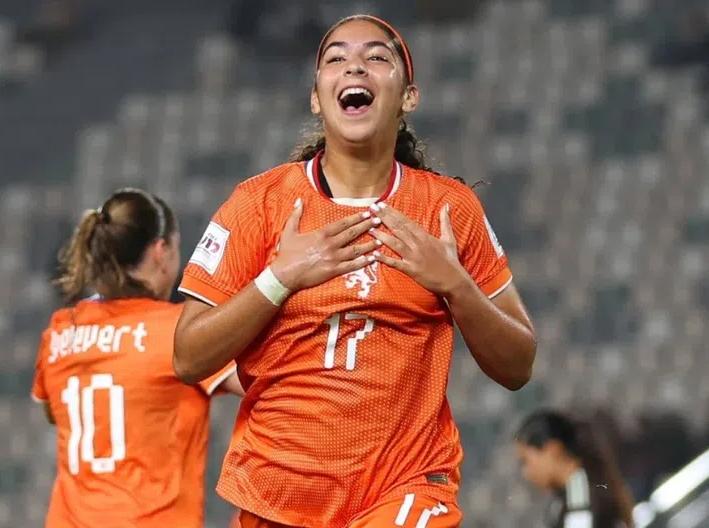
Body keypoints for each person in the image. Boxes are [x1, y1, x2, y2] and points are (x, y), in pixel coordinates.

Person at [174, 14, 537, 528]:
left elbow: (518, 365)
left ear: (408, 97)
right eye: (337, 58)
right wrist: (279, 279)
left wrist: (455, 284)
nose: (355, 66)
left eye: (377, 57)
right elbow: (188, 356)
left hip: (404, 486)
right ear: (316, 98)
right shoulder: (257, 204)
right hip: (277, 494)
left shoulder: (448, 210)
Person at [30, 188, 242, 527]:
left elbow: (54, 411)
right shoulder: (175, 331)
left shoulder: (61, 329)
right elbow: (262, 384)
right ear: (161, 251)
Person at [515, 410, 635, 528]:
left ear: (552, 449)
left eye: (525, 461)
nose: (525, 473)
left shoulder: (580, 497)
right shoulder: (566, 497)